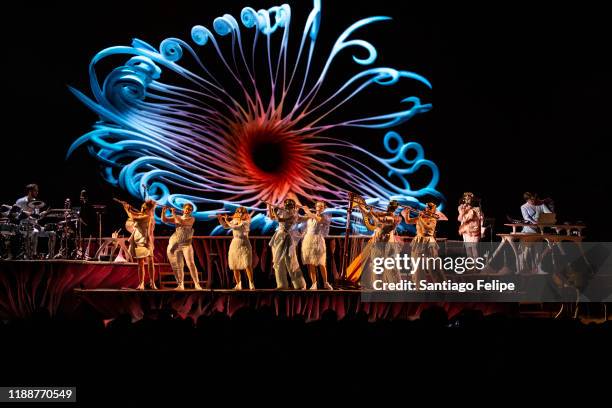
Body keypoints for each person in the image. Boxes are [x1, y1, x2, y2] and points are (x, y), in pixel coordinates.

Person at [346, 199, 403, 288]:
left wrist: (371, 213)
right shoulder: (385, 215)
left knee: (390, 266)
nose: (389, 207)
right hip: (379, 242)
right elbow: (370, 215)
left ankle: (395, 286)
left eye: (391, 206)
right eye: (389, 205)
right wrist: (362, 208)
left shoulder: (392, 218)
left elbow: (379, 222)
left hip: (386, 243)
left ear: (393, 208)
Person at [402, 202, 447, 284]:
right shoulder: (421, 217)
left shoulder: (433, 218)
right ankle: (418, 286)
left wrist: (421, 218)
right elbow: (408, 221)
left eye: (429, 208)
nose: (427, 209)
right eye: (427, 207)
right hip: (418, 241)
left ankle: (441, 285)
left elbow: (427, 227)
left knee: (433, 264)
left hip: (429, 241)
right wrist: (406, 213)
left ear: (433, 210)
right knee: (416, 264)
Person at [162, 203, 203, 290]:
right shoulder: (178, 217)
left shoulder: (191, 219)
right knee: (178, 265)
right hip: (177, 244)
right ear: (183, 209)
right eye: (187, 209)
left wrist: (173, 214)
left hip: (186, 244)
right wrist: (163, 212)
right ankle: (181, 284)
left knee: (191, 263)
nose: (188, 210)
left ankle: (197, 284)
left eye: (190, 209)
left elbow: (181, 222)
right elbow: (164, 220)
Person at [268, 198, 306, 289]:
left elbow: (281, 220)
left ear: (293, 206)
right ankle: (282, 284)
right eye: (286, 204)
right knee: (278, 261)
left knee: (291, 261)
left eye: (290, 204)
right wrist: (270, 208)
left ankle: (300, 284)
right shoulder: (282, 211)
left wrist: (274, 210)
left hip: (288, 237)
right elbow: (272, 217)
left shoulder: (294, 214)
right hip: (279, 237)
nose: (287, 206)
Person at [122, 199, 157, 290]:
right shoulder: (143, 214)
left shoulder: (148, 217)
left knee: (150, 262)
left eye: (144, 209)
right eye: (142, 207)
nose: (142, 209)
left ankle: (152, 283)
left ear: (149, 210)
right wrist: (129, 208)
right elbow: (136, 214)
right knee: (140, 263)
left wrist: (126, 209)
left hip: (144, 241)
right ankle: (141, 283)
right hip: (138, 240)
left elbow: (134, 217)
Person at [14, 183, 56, 258]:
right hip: (23, 228)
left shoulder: (36, 202)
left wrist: (45, 213)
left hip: (34, 227)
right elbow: (15, 214)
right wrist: (27, 216)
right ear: (30, 191)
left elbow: (37, 217)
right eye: (35, 191)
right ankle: (33, 255)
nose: (37, 192)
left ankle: (50, 255)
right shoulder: (20, 201)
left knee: (52, 233)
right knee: (35, 232)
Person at [218, 207, 255, 290]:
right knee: (234, 265)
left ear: (245, 213)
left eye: (242, 212)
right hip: (235, 243)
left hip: (244, 243)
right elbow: (225, 226)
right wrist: (221, 220)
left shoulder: (246, 222)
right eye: (238, 212)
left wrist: (227, 220)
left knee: (247, 264)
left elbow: (236, 227)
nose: (240, 213)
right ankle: (238, 284)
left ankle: (251, 283)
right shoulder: (234, 221)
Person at [300, 201, 333, 290]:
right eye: (318, 206)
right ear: (315, 207)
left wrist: (307, 211)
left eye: (322, 206)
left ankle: (325, 283)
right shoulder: (310, 216)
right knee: (311, 263)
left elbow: (318, 220)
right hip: (308, 240)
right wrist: (295, 210)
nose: (319, 207)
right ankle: (314, 283)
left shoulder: (324, 217)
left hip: (318, 240)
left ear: (324, 208)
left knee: (321, 263)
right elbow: (300, 219)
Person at [457, 192, 484, 260]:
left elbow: (481, 220)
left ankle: (476, 266)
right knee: (468, 249)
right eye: (466, 199)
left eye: (469, 199)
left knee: (474, 248)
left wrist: (482, 231)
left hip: (474, 230)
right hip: (466, 230)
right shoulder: (462, 208)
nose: (467, 201)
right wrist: (462, 212)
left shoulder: (477, 209)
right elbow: (459, 219)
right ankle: (471, 266)